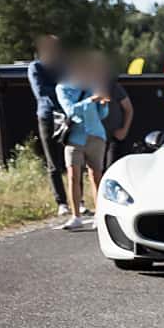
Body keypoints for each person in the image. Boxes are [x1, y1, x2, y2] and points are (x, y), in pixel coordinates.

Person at [54, 55, 111, 230]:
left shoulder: (93, 86)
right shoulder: (63, 88)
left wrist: (103, 103)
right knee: (73, 175)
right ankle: (75, 215)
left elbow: (103, 115)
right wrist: (91, 100)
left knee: (96, 176)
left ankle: (99, 214)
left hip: (96, 135)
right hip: (74, 138)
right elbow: (70, 111)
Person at [27, 35, 69, 215]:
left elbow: (73, 86)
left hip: (66, 115)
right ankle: (61, 202)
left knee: (71, 158)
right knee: (53, 161)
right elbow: (41, 91)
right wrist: (61, 90)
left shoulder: (63, 68)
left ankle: (79, 200)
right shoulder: (36, 67)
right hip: (47, 116)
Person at [99, 57, 135, 155]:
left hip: (113, 137)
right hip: (94, 138)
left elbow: (129, 109)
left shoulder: (114, 87)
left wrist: (124, 130)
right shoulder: (86, 88)